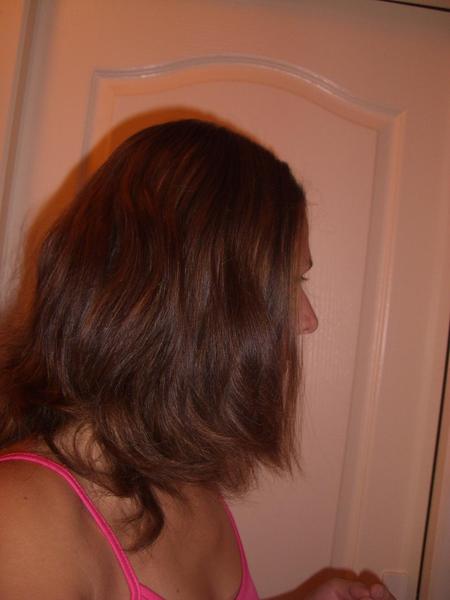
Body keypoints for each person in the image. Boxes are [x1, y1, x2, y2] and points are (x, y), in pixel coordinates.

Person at [0, 119, 393, 600]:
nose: (307, 320)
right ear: (194, 300)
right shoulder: (23, 525)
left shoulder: (183, 472)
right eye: (287, 284)